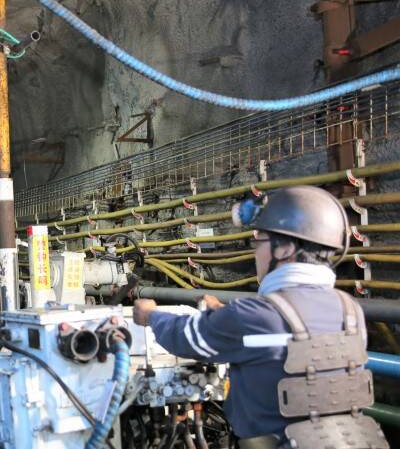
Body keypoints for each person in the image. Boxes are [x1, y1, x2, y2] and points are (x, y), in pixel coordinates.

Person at [132, 186, 388, 449]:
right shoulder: (350, 309)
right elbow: (283, 336)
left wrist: (151, 315)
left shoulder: (254, 316)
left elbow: (187, 337)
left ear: (285, 248)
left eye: (260, 241)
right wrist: (222, 314)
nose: (256, 252)